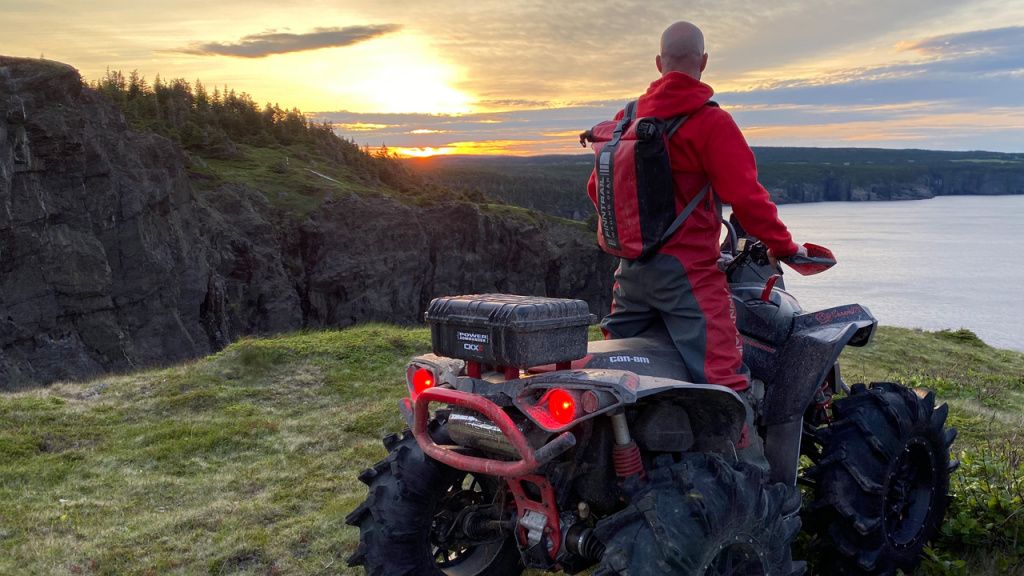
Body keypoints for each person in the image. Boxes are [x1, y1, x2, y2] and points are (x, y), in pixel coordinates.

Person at [589, 21, 805, 393]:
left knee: (615, 382)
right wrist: (784, 247)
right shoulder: (710, 122)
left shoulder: (627, 120)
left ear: (659, 63)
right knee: (727, 384)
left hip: (630, 276)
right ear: (703, 62)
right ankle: (744, 451)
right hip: (687, 276)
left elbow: (597, 190)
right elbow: (748, 199)